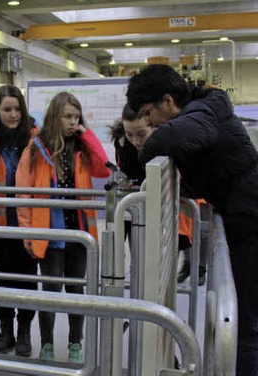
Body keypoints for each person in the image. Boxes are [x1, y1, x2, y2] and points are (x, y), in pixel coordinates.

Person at [126, 64, 258, 373]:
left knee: (247, 324)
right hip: (244, 217)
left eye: (148, 114)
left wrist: (145, 146)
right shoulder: (206, 109)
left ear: (168, 102)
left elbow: (165, 141)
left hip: (251, 221)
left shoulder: (203, 114)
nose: (148, 122)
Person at [16, 91, 110, 363]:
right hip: (49, 233)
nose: (72, 122)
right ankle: (46, 343)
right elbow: (23, 194)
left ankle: (74, 344)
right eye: (67, 116)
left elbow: (103, 170)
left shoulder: (81, 147)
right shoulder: (36, 148)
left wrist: (87, 135)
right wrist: (28, 236)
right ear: (55, 117)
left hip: (79, 233)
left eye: (76, 117)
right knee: (52, 291)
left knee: (76, 291)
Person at [115, 105, 206, 285]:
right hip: (139, 206)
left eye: (141, 134)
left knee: (181, 242)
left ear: (154, 126)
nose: (135, 140)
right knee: (140, 259)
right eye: (129, 134)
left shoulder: (170, 144)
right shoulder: (121, 143)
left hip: (169, 205)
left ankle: (196, 268)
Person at [0, 85, 38, 357]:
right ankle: (5, 329)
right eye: (7, 109)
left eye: (17, 109)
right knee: (4, 275)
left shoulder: (34, 138)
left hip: (27, 220)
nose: (13, 114)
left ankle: (25, 330)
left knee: (28, 275)